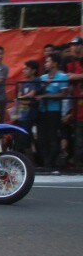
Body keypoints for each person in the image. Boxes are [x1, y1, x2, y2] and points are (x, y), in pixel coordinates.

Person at [36, 54, 69, 168]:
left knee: (52, 137)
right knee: (41, 137)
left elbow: (63, 94)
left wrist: (47, 96)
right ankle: (45, 161)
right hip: (42, 110)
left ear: (55, 63)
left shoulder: (62, 77)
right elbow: (38, 92)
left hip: (54, 110)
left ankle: (52, 162)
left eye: (48, 62)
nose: (46, 64)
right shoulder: (43, 78)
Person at [12, 60, 42, 162]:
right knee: (20, 139)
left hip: (31, 115)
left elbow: (31, 94)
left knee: (27, 139)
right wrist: (23, 99)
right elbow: (20, 96)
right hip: (21, 115)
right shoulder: (23, 83)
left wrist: (21, 99)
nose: (24, 71)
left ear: (33, 71)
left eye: (26, 69)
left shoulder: (36, 81)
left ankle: (31, 162)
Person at [65, 37, 83, 166]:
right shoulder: (70, 61)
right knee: (78, 138)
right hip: (76, 105)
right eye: (72, 45)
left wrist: (75, 76)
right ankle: (78, 163)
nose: (73, 47)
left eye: (76, 44)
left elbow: (71, 76)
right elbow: (66, 77)